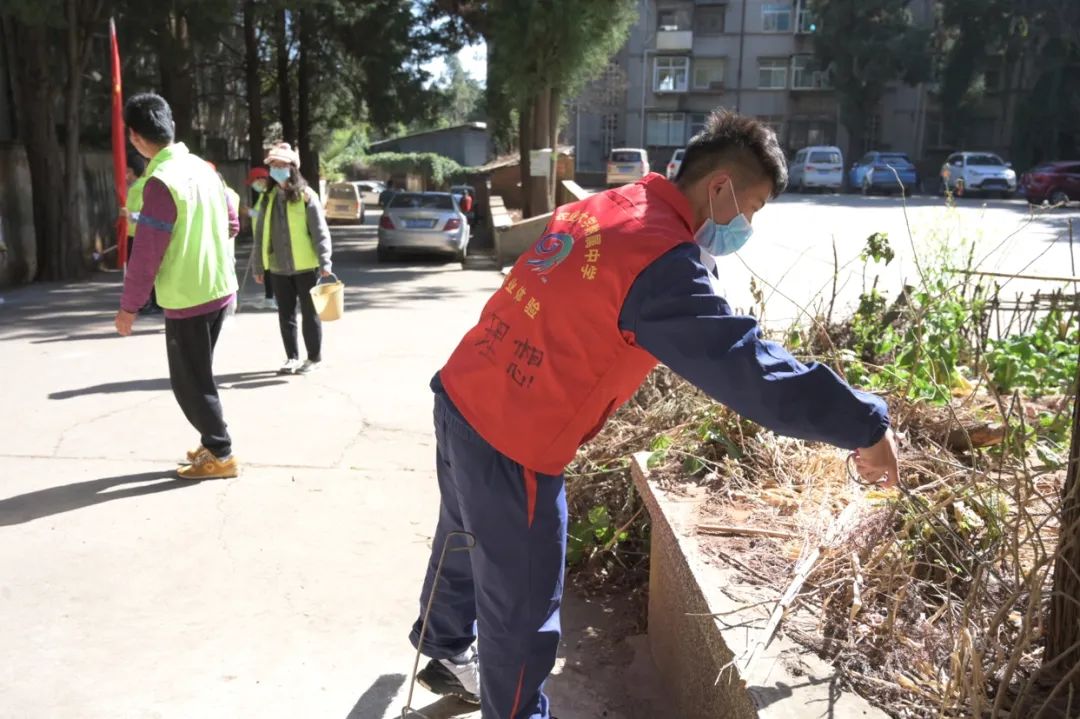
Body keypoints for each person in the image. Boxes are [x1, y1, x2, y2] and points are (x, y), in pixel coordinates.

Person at [406, 111, 901, 718]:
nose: (748, 224)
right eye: (753, 207)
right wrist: (864, 424)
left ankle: (443, 646)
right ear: (719, 186)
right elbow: (748, 370)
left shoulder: (611, 204)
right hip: (517, 439)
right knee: (522, 606)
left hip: (464, 387)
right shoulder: (661, 263)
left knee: (461, 535)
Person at [114, 92, 241, 480]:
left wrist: (128, 307)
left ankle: (221, 453)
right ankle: (211, 441)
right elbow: (233, 222)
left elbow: (146, 255)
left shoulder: (160, 182)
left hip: (189, 297)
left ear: (135, 137)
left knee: (190, 382)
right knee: (200, 373)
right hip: (220, 287)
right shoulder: (204, 168)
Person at [253, 142, 333, 375]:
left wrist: (325, 261)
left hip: (305, 266)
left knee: (310, 315)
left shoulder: (307, 196)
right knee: (285, 314)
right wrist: (259, 265)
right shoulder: (268, 198)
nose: (276, 169)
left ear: (293, 168)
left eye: (281, 165)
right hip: (278, 267)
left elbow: (320, 232)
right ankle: (292, 357)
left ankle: (314, 357)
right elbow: (260, 236)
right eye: (273, 165)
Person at [120, 151, 162, 314]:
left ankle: (150, 302)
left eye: (127, 171)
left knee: (144, 270)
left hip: (142, 236)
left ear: (131, 171)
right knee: (140, 270)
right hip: (134, 235)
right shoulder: (133, 188)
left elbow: (148, 213)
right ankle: (148, 301)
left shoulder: (143, 187)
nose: (124, 176)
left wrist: (130, 215)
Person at [244, 167, 277, 310]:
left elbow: (264, 216)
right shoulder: (264, 195)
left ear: (261, 180)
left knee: (270, 271)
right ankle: (269, 297)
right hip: (262, 239)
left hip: (268, 240)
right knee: (267, 270)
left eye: (253, 182)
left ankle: (271, 299)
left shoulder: (269, 195)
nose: (253, 185)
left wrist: (250, 212)